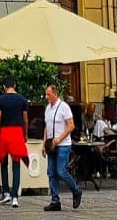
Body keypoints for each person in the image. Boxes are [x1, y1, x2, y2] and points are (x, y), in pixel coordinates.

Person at [41, 82, 80, 212]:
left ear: (55, 94)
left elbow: (71, 125)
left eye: (48, 94)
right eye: (46, 94)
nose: (46, 97)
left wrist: (60, 138)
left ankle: (76, 190)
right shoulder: (48, 108)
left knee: (61, 171)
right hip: (51, 144)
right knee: (51, 172)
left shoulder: (64, 107)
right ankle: (55, 201)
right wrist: (44, 143)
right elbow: (47, 126)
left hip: (63, 144)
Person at [0, 75, 29, 208]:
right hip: (17, 132)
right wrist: (25, 134)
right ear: (15, 86)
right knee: (16, 164)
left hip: (4, 133)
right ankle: (15, 197)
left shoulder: (0, 100)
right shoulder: (22, 99)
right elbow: (25, 119)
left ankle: (6, 192)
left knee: (3, 162)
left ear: (4, 87)